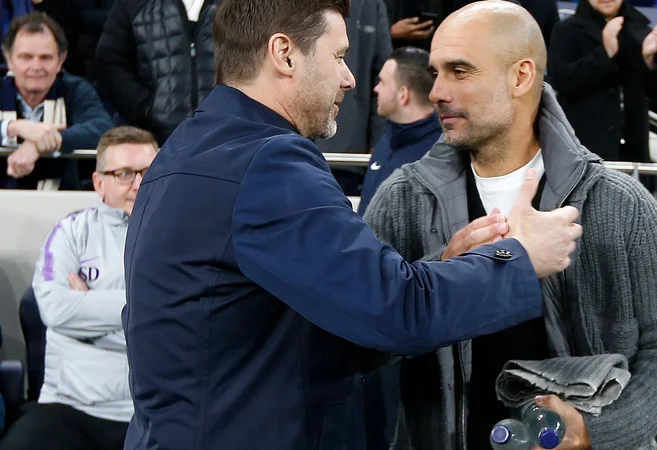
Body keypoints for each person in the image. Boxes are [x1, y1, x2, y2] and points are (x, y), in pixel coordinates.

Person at [121, 0, 585, 449]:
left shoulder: (186, 149)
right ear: (284, 54)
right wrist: (518, 259)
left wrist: (445, 269)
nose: (348, 78)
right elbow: (397, 309)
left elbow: (311, 329)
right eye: (339, 56)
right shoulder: (268, 164)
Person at [363, 2, 657, 449]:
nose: (436, 92)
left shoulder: (615, 202)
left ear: (521, 76)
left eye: (459, 71)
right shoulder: (403, 201)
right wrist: (438, 278)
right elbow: (357, 342)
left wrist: (595, 432)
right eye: (436, 72)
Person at [0, 126, 158, 450]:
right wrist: (144, 310)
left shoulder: (186, 237)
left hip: (154, 412)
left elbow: (186, 321)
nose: (139, 183)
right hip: (67, 407)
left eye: (149, 171)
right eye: (125, 173)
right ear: (99, 182)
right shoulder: (70, 232)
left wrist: (91, 307)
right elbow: (55, 309)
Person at [547, 0, 657, 180]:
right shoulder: (566, 30)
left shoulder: (639, 29)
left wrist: (650, 60)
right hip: (584, 155)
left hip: (633, 155)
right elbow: (561, 81)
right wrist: (605, 53)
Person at [1, 11, 113, 189]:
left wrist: (41, 143)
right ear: (9, 59)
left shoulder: (75, 89)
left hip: (60, 205)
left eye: (45, 58)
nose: (36, 66)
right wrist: (13, 127)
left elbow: (103, 128)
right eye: (26, 57)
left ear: (60, 61)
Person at [95, 0, 217, 144]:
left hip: (231, 136)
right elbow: (110, 61)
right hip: (157, 141)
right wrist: (144, 108)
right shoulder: (133, 4)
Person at [315, 0, 392, 196]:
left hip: (347, 153)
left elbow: (383, 75)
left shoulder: (370, 6)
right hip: (291, 141)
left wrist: (379, 140)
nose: (348, 80)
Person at [358, 46, 440, 216]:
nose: (376, 88)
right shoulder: (387, 141)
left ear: (403, 94)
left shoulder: (439, 156)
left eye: (382, 82)